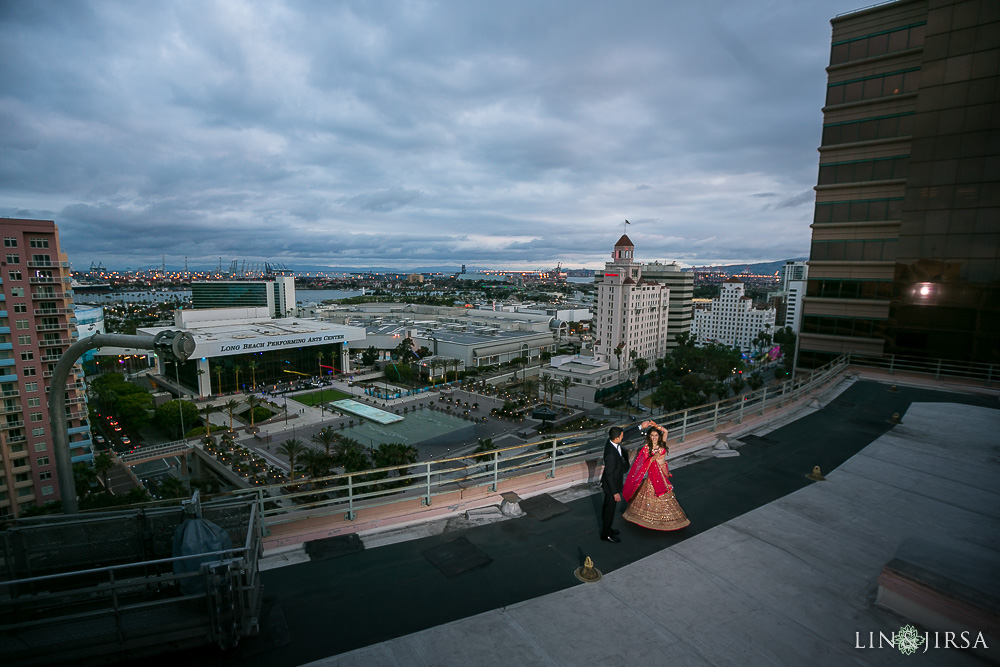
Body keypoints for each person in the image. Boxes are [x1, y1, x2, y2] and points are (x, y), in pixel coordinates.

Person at [622, 421, 690, 531]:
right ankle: (650, 518)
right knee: (655, 495)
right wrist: (652, 458)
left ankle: (668, 519)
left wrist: (656, 426)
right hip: (654, 476)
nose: (654, 437)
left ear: (659, 436)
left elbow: (666, 431)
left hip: (663, 473)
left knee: (667, 497)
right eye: (652, 435)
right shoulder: (646, 448)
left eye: (656, 435)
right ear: (649, 436)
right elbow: (642, 464)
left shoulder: (662, 443)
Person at [600, 421, 651, 542]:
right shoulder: (610, 455)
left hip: (614, 482)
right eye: (621, 436)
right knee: (609, 510)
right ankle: (606, 534)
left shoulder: (613, 441)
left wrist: (641, 427)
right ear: (617, 438)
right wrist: (615, 493)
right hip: (611, 486)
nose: (623, 437)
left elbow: (626, 434)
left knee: (609, 509)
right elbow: (609, 475)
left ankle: (608, 529)